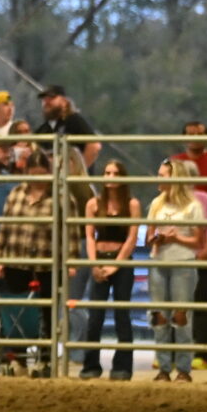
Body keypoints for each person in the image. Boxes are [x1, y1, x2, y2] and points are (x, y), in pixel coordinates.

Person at [143, 158, 207, 383]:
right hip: (158, 261)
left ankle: (183, 368)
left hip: (183, 263)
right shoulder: (156, 203)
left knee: (181, 316)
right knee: (159, 316)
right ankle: (163, 367)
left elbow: (199, 241)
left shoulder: (193, 206)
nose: (158, 179)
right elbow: (148, 236)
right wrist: (156, 239)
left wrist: (176, 238)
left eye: (162, 175)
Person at [0, 157, 57, 375]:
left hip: (47, 263)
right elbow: (5, 228)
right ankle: (17, 359)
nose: (37, 179)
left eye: (41, 174)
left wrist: (70, 260)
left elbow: (70, 232)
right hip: (16, 261)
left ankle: (45, 359)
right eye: (33, 173)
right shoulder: (15, 194)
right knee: (16, 311)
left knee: (47, 312)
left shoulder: (60, 196)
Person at [76, 160, 138, 380]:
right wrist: (94, 264)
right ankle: (90, 365)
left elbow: (132, 238)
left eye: (115, 173)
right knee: (95, 316)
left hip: (122, 261)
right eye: (107, 172)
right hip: (100, 260)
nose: (110, 177)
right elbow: (89, 236)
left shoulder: (131, 204)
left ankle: (123, 367)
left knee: (122, 315)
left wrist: (116, 264)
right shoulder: (93, 204)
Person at [37, 84, 100, 170]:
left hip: (72, 176)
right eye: (44, 98)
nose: (46, 101)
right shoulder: (42, 130)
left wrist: (79, 171)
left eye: (51, 97)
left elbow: (94, 146)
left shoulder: (73, 120)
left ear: (64, 101)